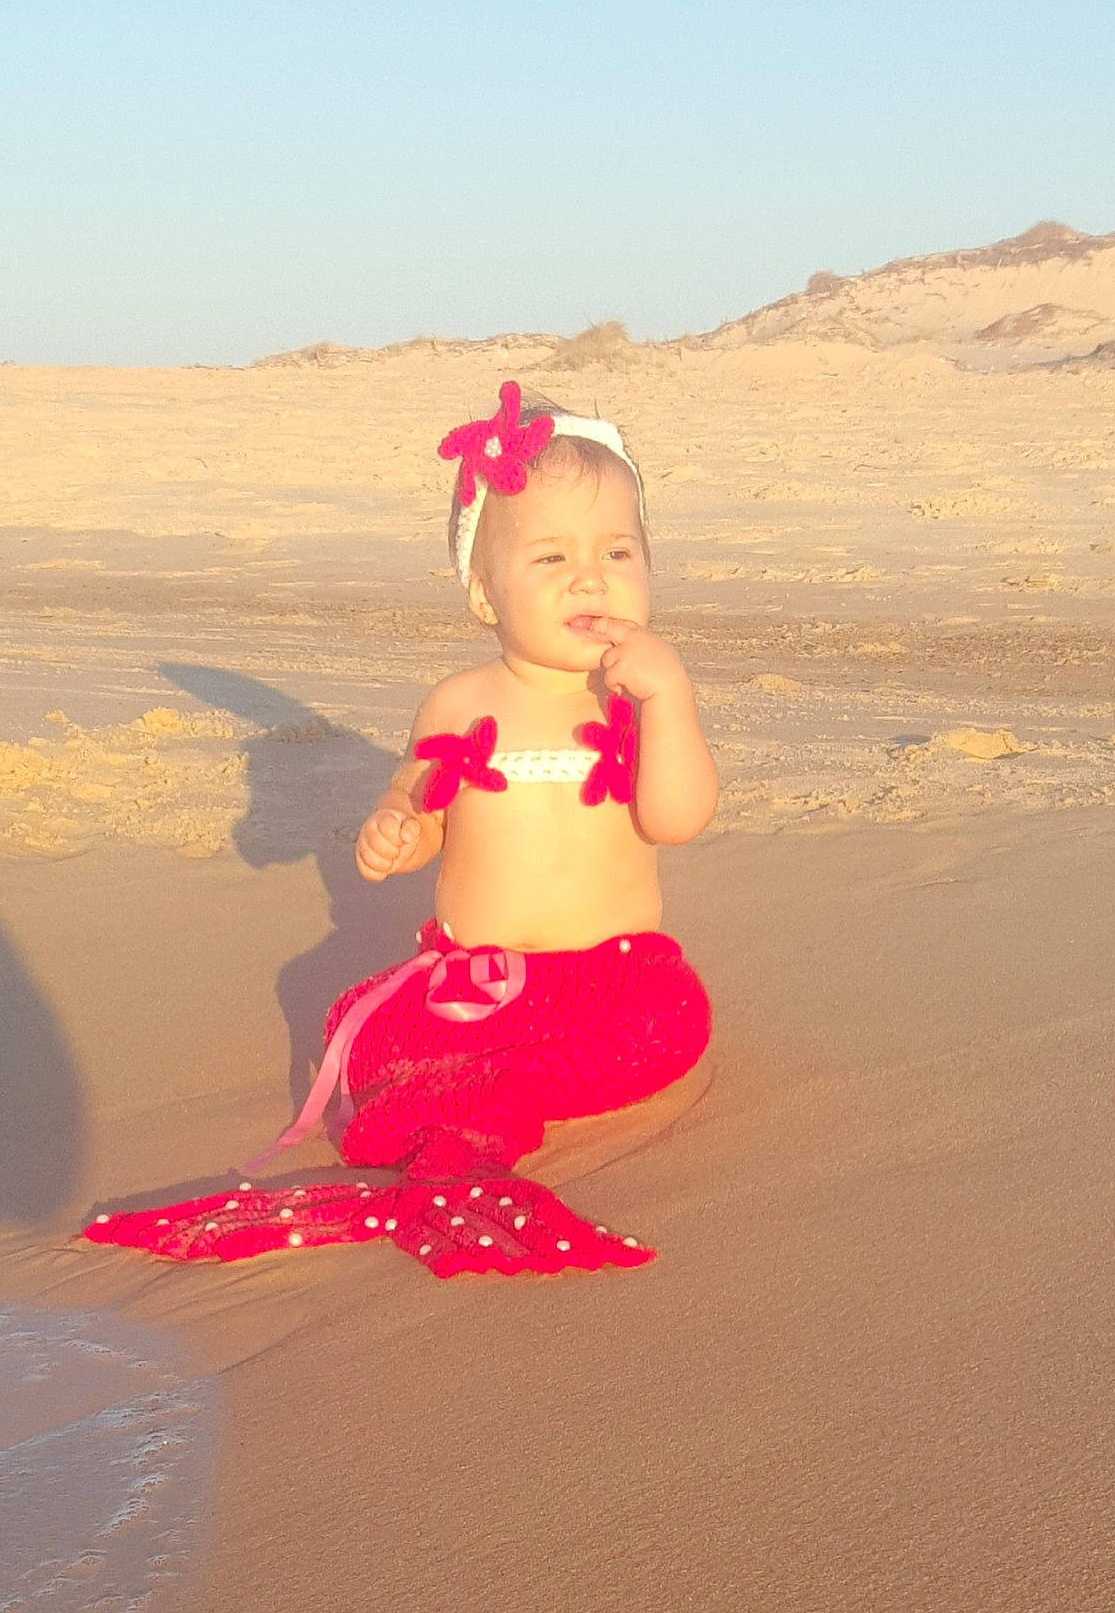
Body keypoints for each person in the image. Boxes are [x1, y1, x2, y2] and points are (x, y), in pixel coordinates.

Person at [87, 383, 716, 1278]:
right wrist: (397, 830)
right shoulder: (461, 702)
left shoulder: (632, 696)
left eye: (618, 550)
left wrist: (674, 698)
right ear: (482, 594)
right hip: (480, 983)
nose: (590, 577)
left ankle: (487, 1100)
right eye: (550, 558)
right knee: (379, 1033)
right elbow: (421, 808)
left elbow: (675, 818)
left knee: (673, 1022)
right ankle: (479, 1089)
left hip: (612, 975)